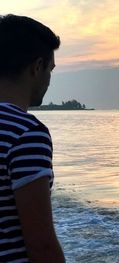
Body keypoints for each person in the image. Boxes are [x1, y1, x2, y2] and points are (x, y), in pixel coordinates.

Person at [0, 14, 65, 262]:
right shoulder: (25, 134)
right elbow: (42, 247)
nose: (49, 78)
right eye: (50, 69)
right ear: (37, 67)